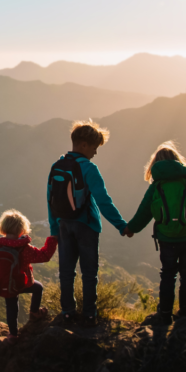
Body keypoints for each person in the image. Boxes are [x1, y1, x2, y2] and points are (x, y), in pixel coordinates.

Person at [46, 120, 130, 327]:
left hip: (64, 224)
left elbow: (50, 199)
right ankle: (89, 315)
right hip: (87, 225)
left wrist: (54, 229)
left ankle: (67, 312)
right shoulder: (89, 168)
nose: (95, 152)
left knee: (66, 271)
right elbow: (103, 201)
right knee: (89, 273)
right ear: (83, 144)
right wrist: (121, 225)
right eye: (94, 147)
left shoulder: (57, 166)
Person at [125, 141, 186, 325]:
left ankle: (165, 314)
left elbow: (144, 211)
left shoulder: (156, 186)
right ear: (177, 161)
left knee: (168, 274)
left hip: (167, 238)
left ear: (155, 164)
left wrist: (131, 229)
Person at [0, 209, 56, 337]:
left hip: (6, 284)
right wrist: (53, 240)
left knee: (11, 308)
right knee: (38, 288)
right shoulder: (24, 249)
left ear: (3, 228)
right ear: (22, 229)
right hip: (22, 284)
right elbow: (44, 256)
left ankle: (13, 336)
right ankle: (34, 313)